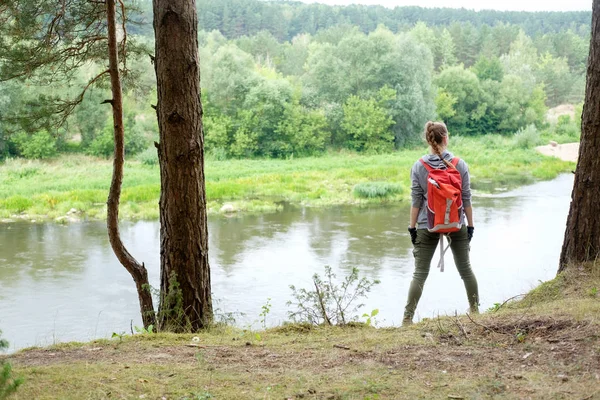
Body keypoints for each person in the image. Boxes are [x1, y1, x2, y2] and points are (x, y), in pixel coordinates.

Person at [403, 121, 479, 326]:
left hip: (427, 224)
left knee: (419, 274)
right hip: (456, 222)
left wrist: (412, 228)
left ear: (428, 140)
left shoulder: (419, 166)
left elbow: (416, 200)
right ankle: (476, 312)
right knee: (466, 270)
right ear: (446, 138)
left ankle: (407, 320)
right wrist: (470, 226)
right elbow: (466, 198)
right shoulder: (459, 164)